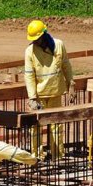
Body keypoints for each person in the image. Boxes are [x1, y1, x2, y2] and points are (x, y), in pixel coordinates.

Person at [24, 20, 74, 160]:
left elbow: (66, 65)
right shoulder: (30, 51)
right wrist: (32, 98)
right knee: (36, 127)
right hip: (39, 96)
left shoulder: (58, 45)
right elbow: (29, 75)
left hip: (55, 92)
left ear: (44, 35)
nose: (35, 42)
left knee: (56, 126)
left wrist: (71, 84)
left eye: (37, 39)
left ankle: (57, 156)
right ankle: (37, 156)